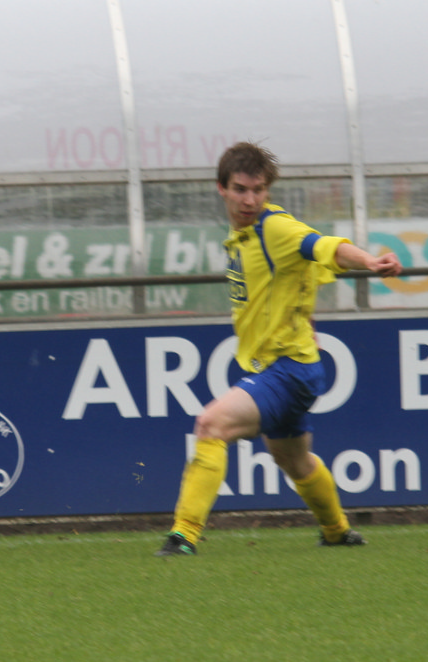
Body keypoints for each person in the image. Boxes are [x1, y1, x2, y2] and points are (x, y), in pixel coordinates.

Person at [157, 142, 403, 556]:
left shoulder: (275, 229)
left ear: (267, 191)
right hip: (287, 366)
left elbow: (325, 247)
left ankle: (183, 536)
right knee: (293, 459)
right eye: (240, 189)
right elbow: (299, 278)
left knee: (211, 425)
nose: (249, 200)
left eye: (258, 190)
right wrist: (303, 318)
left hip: (289, 371)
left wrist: (370, 262)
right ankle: (337, 531)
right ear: (221, 188)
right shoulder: (242, 237)